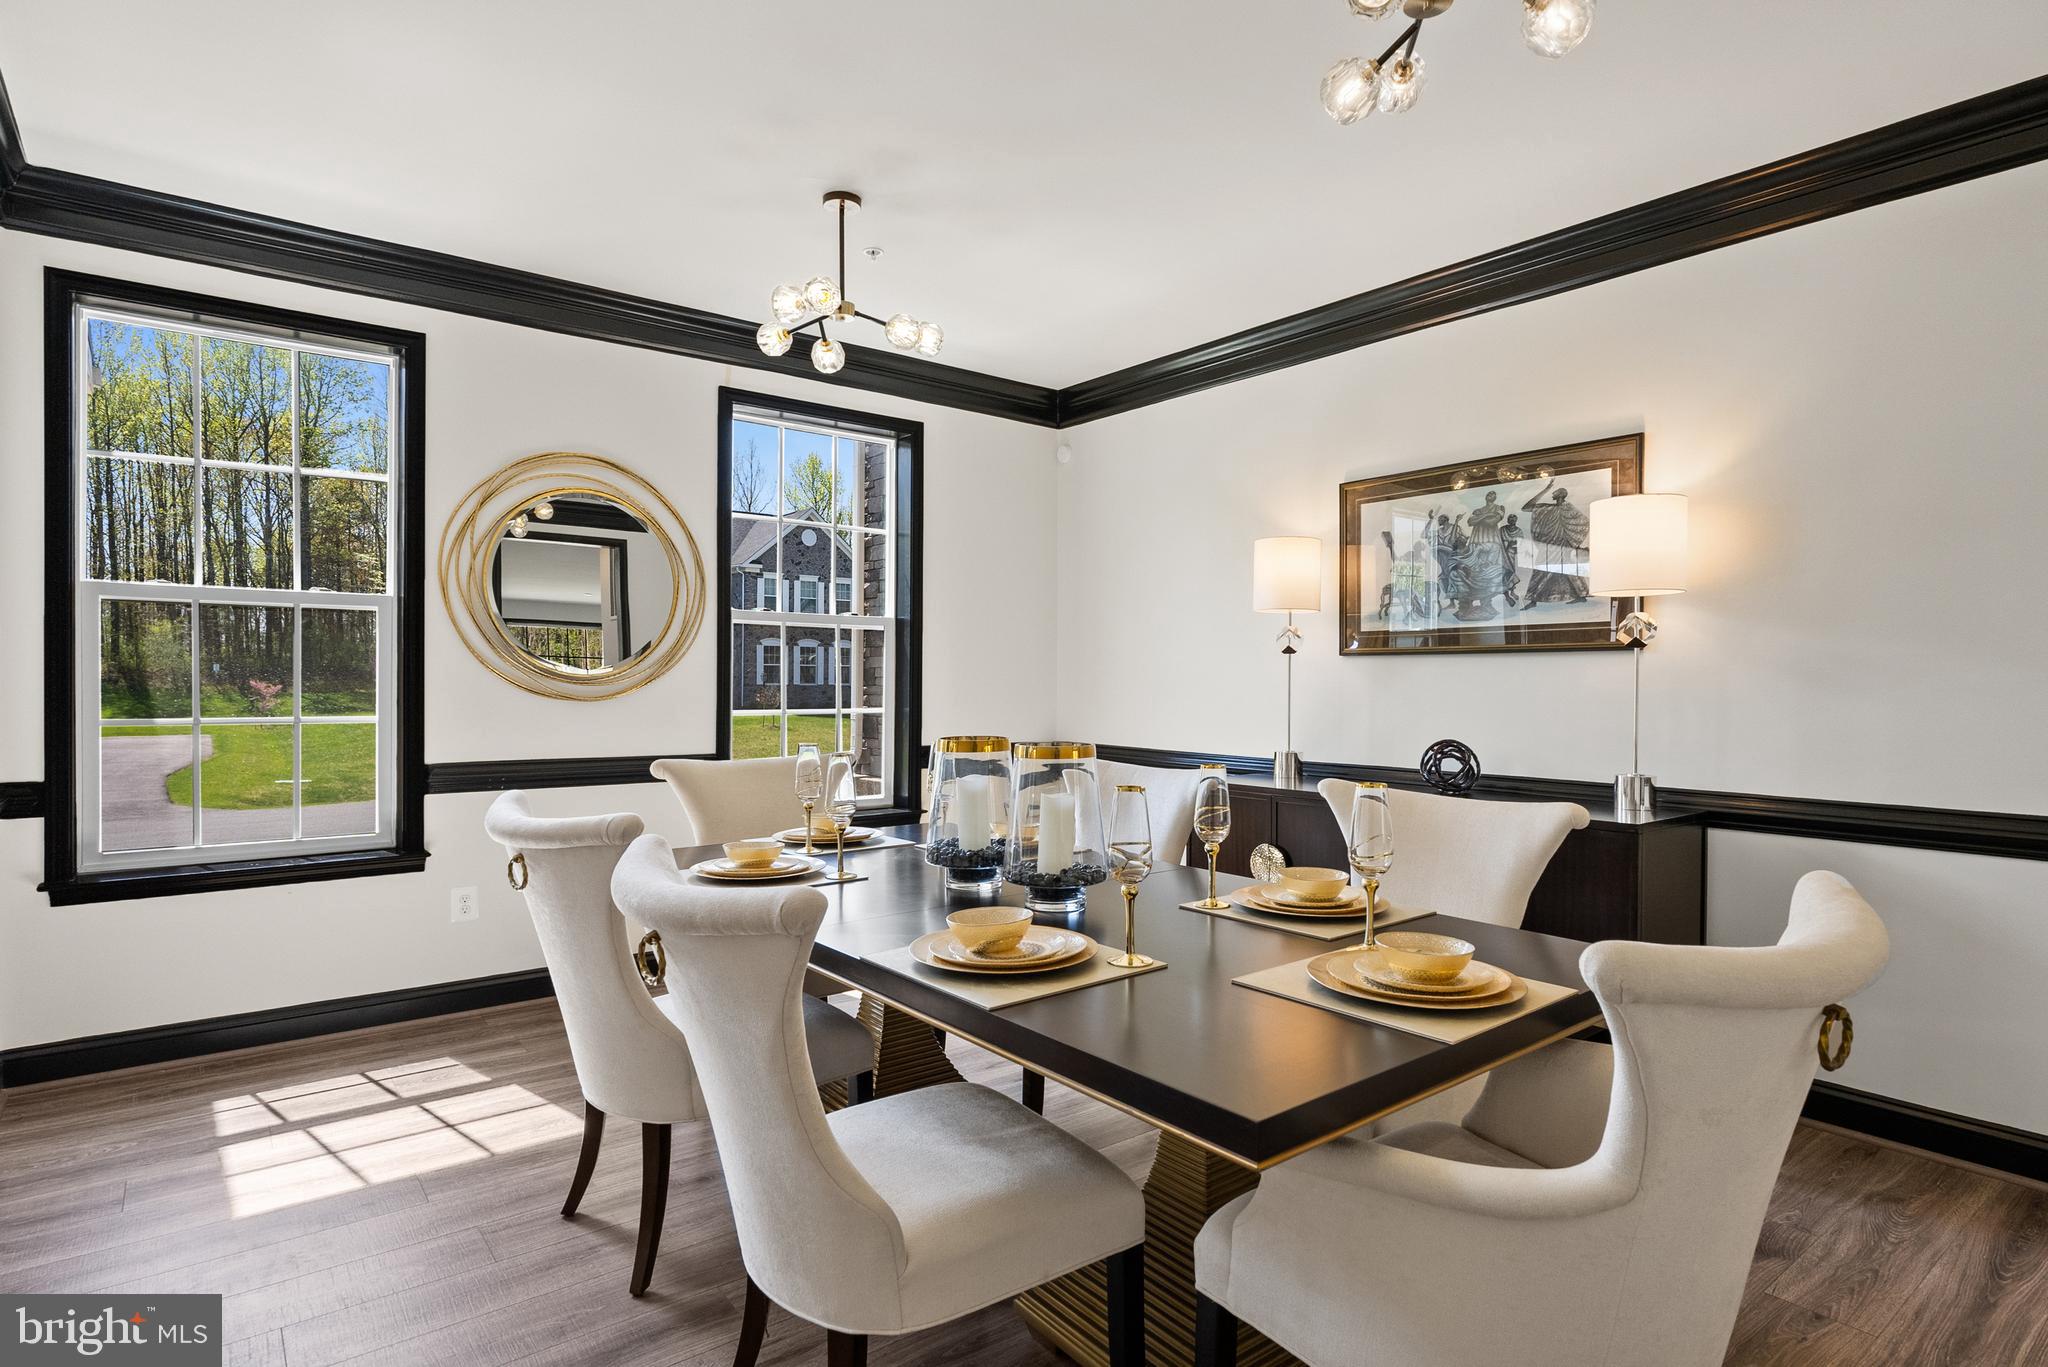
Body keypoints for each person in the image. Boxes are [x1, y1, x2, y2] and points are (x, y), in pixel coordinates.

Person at [1521, 479, 1590, 604]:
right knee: (1540, 570)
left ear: (1560, 495)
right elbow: (1526, 508)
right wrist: (1545, 489)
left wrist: (1573, 541)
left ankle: (1581, 596)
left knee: (1570, 569)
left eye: (1554, 492)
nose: (1552, 494)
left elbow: (1583, 522)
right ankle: (1532, 600)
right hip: (1548, 545)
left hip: (1563, 545)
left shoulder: (1568, 508)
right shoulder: (1547, 508)